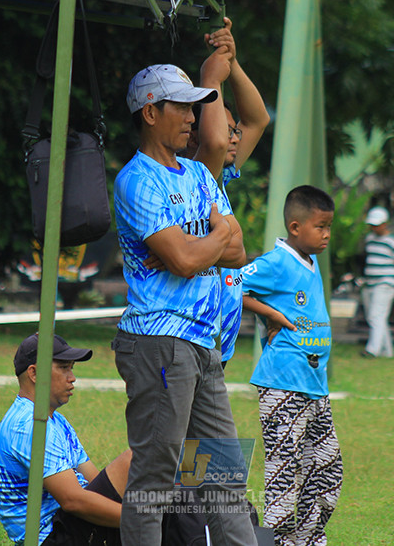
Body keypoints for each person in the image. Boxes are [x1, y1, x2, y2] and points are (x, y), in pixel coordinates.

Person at [111, 53, 257, 546]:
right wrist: (213, 240)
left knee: (225, 479)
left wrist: (207, 245)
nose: (193, 118)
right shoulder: (136, 180)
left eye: (194, 108)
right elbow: (185, 259)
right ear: (150, 112)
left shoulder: (196, 173)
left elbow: (236, 252)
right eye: (182, 107)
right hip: (158, 343)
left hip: (202, 345)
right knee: (155, 480)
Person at [241, 185, 344, 546]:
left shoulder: (310, 261)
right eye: (321, 226)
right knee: (287, 473)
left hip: (314, 385)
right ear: (296, 227)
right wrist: (270, 314)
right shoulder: (277, 261)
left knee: (328, 470)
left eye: (330, 226)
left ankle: (309, 539)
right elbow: (229, 284)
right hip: (283, 384)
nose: (327, 234)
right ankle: (280, 541)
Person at [0, 333, 131, 546]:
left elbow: (95, 480)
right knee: (137, 460)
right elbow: (72, 501)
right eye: (64, 368)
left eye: (71, 368)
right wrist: (142, 520)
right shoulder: (29, 426)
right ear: (34, 373)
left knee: (160, 485)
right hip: (54, 535)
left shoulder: (55, 420)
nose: (72, 377)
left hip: (71, 525)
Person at [184, 17, 271, 366]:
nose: (234, 137)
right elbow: (216, 141)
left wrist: (231, 62)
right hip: (193, 337)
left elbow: (258, 120)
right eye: (226, 129)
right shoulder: (194, 175)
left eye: (234, 131)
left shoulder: (221, 176)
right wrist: (213, 78)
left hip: (218, 346)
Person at [360, 206, 394, 359]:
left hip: (386, 282)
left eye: (377, 224)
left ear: (385, 223)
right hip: (370, 282)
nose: (374, 228)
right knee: (376, 317)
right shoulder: (369, 239)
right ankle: (387, 351)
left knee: (376, 316)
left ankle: (372, 350)